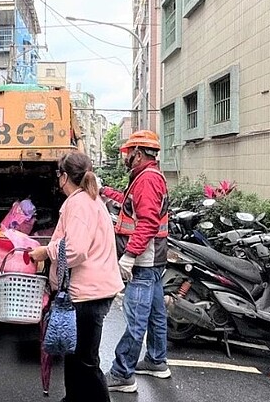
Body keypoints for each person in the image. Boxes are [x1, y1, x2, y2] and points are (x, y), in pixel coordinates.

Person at [29, 151, 124, 402]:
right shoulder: (89, 200)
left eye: (58, 174)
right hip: (92, 289)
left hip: (88, 293)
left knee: (86, 361)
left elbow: (75, 250)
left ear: (63, 176)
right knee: (73, 354)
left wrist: (45, 251)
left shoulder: (79, 204)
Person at [100, 130, 171, 393]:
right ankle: (156, 360)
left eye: (129, 153)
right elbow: (132, 205)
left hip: (144, 260)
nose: (126, 158)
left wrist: (129, 256)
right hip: (153, 259)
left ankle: (122, 373)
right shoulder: (146, 177)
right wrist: (104, 191)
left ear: (138, 153)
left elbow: (148, 222)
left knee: (136, 318)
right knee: (154, 313)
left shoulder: (147, 180)